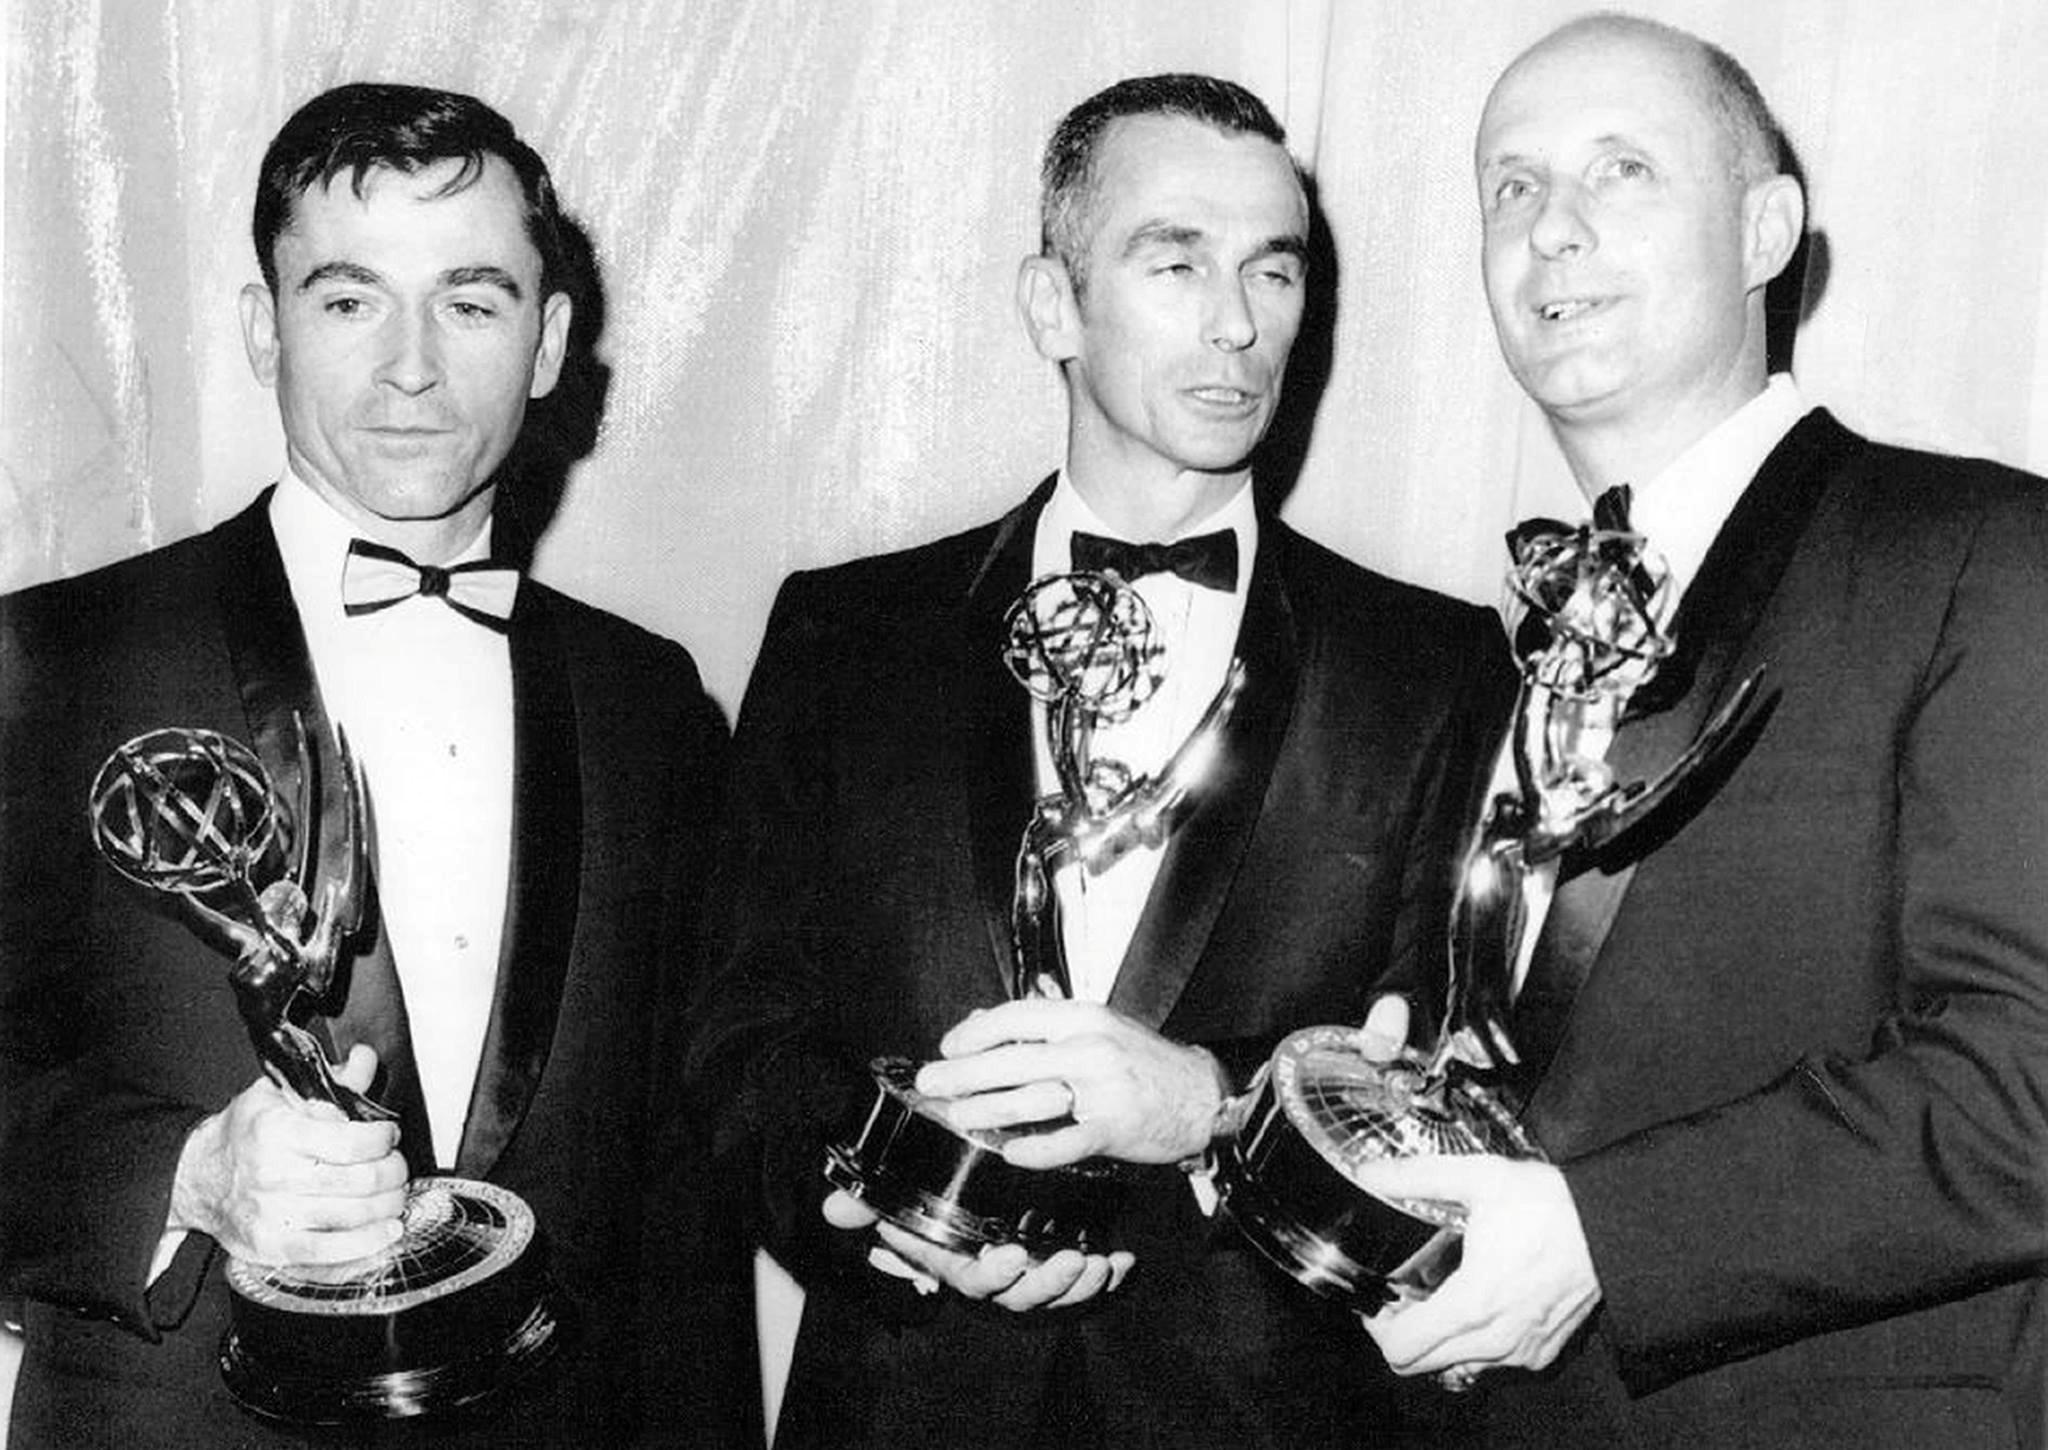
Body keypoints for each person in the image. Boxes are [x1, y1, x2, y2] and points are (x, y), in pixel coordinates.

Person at [683, 72, 1514, 1450]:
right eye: (1173, 259)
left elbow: (1459, 1086)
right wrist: (875, 1213)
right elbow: (740, 1040)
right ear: (1052, 305)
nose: (1239, 322)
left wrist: (1212, 1105)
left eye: (1274, 268)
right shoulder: (845, 634)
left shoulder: (1433, 666)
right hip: (904, 1400)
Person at [0, 83, 749, 1447]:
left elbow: (682, 1219)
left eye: (470, 301)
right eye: (349, 300)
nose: (412, 365)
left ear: (548, 341)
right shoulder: (49, 664)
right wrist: (184, 1175)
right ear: (260, 328)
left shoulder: (652, 705)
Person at [1356, 15, 2048, 1449]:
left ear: (1765, 230)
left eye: (1622, 172)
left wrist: (1605, 1235)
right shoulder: (1513, 645)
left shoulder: (1988, 551)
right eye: (1511, 186)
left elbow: (2027, 1081)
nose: (1553, 229)